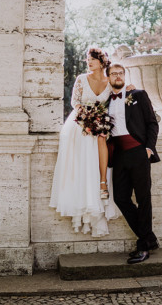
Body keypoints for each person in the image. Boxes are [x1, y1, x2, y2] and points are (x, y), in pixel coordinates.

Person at [49, 48, 121, 237]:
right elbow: (75, 102)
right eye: (87, 60)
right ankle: (81, 204)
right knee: (81, 164)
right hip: (80, 123)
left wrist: (129, 89)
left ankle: (100, 191)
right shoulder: (81, 78)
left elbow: (118, 96)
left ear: (101, 61)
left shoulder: (109, 81)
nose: (88, 62)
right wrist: (87, 117)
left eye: (92, 60)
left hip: (101, 125)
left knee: (97, 159)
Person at [107, 63, 161, 264]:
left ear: (125, 76)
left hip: (139, 152)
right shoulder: (104, 101)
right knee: (121, 198)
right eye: (114, 74)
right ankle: (150, 238)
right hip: (119, 155)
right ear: (109, 78)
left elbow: (152, 123)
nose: (118, 76)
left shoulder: (138, 95)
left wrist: (148, 148)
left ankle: (143, 246)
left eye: (121, 73)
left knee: (143, 198)